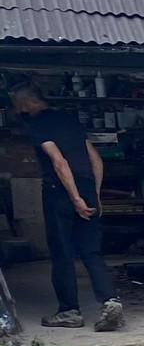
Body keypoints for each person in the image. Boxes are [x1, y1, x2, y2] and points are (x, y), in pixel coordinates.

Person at [8, 82, 121, 330]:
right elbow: (95, 159)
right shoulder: (69, 120)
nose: (15, 109)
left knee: (62, 253)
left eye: (15, 103)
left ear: (23, 102)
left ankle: (69, 311)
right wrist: (93, 194)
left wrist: (75, 198)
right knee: (91, 251)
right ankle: (110, 301)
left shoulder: (38, 124)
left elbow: (59, 163)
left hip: (60, 193)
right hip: (88, 189)